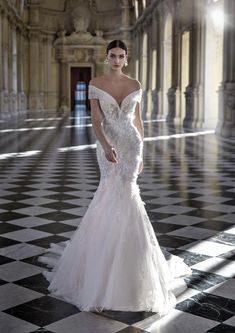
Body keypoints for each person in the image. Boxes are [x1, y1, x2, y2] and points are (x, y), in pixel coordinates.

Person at [39, 39, 192, 316]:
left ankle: (133, 262)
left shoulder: (136, 85)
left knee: (130, 195)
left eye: (121, 56)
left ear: (127, 58)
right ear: (106, 56)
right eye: (113, 55)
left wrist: (142, 152)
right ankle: (103, 262)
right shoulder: (96, 83)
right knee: (109, 192)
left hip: (132, 146)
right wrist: (106, 145)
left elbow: (138, 121)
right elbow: (96, 121)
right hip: (108, 144)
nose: (117, 59)